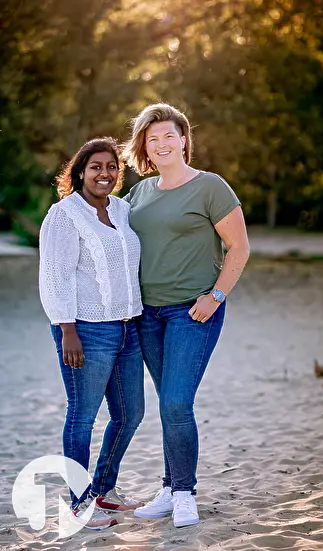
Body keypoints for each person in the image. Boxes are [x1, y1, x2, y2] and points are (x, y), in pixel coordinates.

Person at [120, 103, 250, 528]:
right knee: (168, 404)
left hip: (193, 311)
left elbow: (239, 247)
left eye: (169, 135)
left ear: (183, 140)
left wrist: (215, 295)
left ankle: (184, 493)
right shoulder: (138, 194)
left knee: (177, 401)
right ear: (144, 145)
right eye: (152, 138)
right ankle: (167, 487)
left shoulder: (210, 187)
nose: (161, 144)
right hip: (146, 314)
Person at [38, 137, 146, 530]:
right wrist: (67, 329)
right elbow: (55, 276)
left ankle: (103, 489)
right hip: (84, 330)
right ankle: (78, 504)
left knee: (130, 413)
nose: (105, 173)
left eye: (112, 166)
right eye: (96, 166)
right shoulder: (64, 215)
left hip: (127, 327)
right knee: (82, 417)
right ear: (80, 171)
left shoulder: (122, 209)